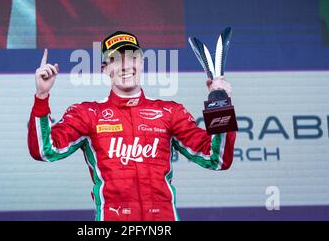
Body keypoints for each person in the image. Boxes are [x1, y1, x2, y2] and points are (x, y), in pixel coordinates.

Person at [27, 31, 236, 221]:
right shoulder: (87, 114)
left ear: (142, 62)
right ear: (105, 69)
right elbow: (45, 150)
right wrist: (42, 96)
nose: (126, 65)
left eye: (132, 57)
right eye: (115, 60)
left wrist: (220, 103)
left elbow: (217, 159)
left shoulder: (170, 112)